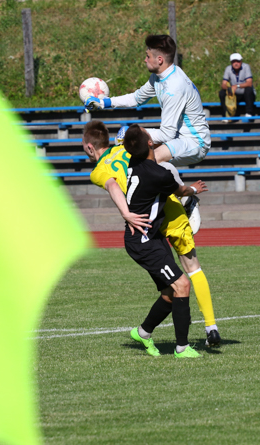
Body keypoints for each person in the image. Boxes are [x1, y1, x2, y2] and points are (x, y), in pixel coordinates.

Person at [82, 120, 221, 347]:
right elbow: (157, 156)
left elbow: (113, 186)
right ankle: (210, 327)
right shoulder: (125, 147)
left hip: (145, 221)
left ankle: (172, 336)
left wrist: (126, 214)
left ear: (89, 147)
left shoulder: (98, 171)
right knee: (192, 268)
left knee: (173, 286)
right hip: (168, 207)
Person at [120, 124, 207, 358]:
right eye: (148, 134)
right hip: (143, 241)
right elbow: (181, 191)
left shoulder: (134, 161)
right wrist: (194, 188)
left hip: (151, 236)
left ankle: (143, 332)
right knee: (182, 285)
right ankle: (182, 348)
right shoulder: (159, 174)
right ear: (150, 143)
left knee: (170, 293)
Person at [83, 34, 211, 167]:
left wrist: (135, 133)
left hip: (195, 142)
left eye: (148, 56)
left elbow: (166, 135)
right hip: (177, 138)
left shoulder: (174, 89)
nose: (145, 60)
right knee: (133, 156)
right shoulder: (160, 77)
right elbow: (137, 98)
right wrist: (104, 103)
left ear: (159, 60)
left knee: (150, 161)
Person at [220, 53, 256, 119]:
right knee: (222, 93)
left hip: (247, 95)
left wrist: (237, 86)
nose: (236, 63)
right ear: (231, 62)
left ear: (241, 61)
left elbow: (249, 83)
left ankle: (249, 113)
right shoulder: (228, 69)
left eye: (238, 61)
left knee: (248, 89)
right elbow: (223, 84)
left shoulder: (246, 67)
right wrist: (229, 88)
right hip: (235, 95)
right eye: (234, 62)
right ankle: (227, 114)